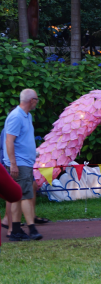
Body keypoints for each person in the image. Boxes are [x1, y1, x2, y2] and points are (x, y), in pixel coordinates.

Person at [2, 89, 42, 241]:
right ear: (32, 100)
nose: (37, 102)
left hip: (24, 162)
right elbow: (9, 141)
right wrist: (13, 164)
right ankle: (31, 229)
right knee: (25, 196)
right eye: (36, 99)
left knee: (17, 197)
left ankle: (16, 230)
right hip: (19, 163)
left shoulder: (27, 116)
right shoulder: (16, 117)